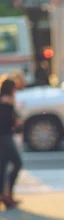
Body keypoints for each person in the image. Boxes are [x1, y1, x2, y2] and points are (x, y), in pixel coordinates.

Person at [0, 78, 23, 209]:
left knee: (2, 166)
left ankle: (4, 194)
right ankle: (8, 194)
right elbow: (9, 120)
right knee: (17, 163)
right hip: (5, 136)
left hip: (3, 136)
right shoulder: (7, 101)